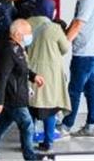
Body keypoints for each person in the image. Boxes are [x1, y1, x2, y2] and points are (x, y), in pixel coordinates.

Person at [0, 20, 45, 160]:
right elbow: (1, 75)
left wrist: (33, 76)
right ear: (17, 34)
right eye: (28, 33)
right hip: (14, 97)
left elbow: (21, 68)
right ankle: (30, 156)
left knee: (2, 125)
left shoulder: (17, 49)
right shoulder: (9, 50)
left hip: (16, 94)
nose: (30, 36)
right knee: (27, 124)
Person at [61, 0, 94, 138]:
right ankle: (92, 123)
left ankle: (66, 124)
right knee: (90, 87)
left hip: (86, 53)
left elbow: (79, 25)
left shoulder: (88, 0)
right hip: (91, 51)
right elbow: (75, 21)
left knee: (74, 89)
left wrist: (63, 44)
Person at [26, 16, 71, 153]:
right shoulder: (55, 29)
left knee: (31, 110)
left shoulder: (29, 23)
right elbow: (65, 48)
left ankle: (28, 142)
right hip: (49, 75)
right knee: (50, 109)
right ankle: (48, 142)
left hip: (31, 71)